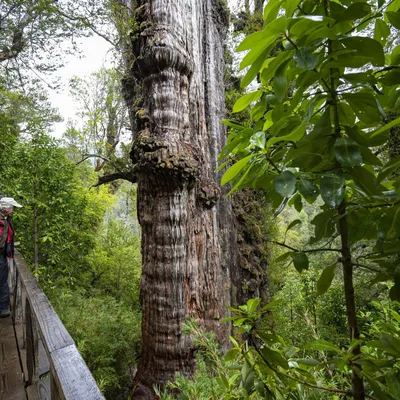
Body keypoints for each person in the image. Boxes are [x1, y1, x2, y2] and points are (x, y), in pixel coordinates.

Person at [0, 197, 22, 318]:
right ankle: (3, 309)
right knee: (2, 281)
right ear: (5, 209)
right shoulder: (2, 220)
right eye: (12, 207)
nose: (13, 210)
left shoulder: (6, 219)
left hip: (2, 254)